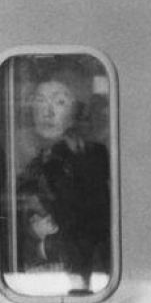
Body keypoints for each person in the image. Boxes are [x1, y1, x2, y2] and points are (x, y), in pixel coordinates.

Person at [17, 71, 110, 288]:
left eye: (60, 102)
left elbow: (97, 223)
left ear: (76, 111)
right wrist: (31, 233)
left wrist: (47, 241)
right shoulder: (20, 156)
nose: (47, 111)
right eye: (40, 100)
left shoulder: (93, 157)